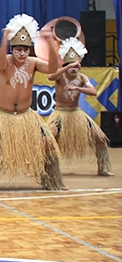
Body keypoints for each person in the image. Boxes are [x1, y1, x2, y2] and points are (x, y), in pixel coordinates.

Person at [0, 14, 65, 192]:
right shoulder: (5, 61)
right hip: (1, 115)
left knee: (47, 142)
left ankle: (52, 181)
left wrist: (51, 45)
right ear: (12, 49)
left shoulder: (33, 62)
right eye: (17, 49)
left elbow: (53, 69)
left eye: (25, 49)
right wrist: (4, 39)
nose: (22, 53)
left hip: (25, 115)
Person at [46, 37, 113, 176]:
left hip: (76, 113)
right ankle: (42, 167)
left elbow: (93, 92)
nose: (74, 69)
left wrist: (77, 89)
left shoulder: (82, 78)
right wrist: (67, 66)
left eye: (76, 66)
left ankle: (103, 168)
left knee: (99, 137)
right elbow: (50, 77)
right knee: (48, 137)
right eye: (71, 66)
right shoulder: (60, 76)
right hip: (60, 114)